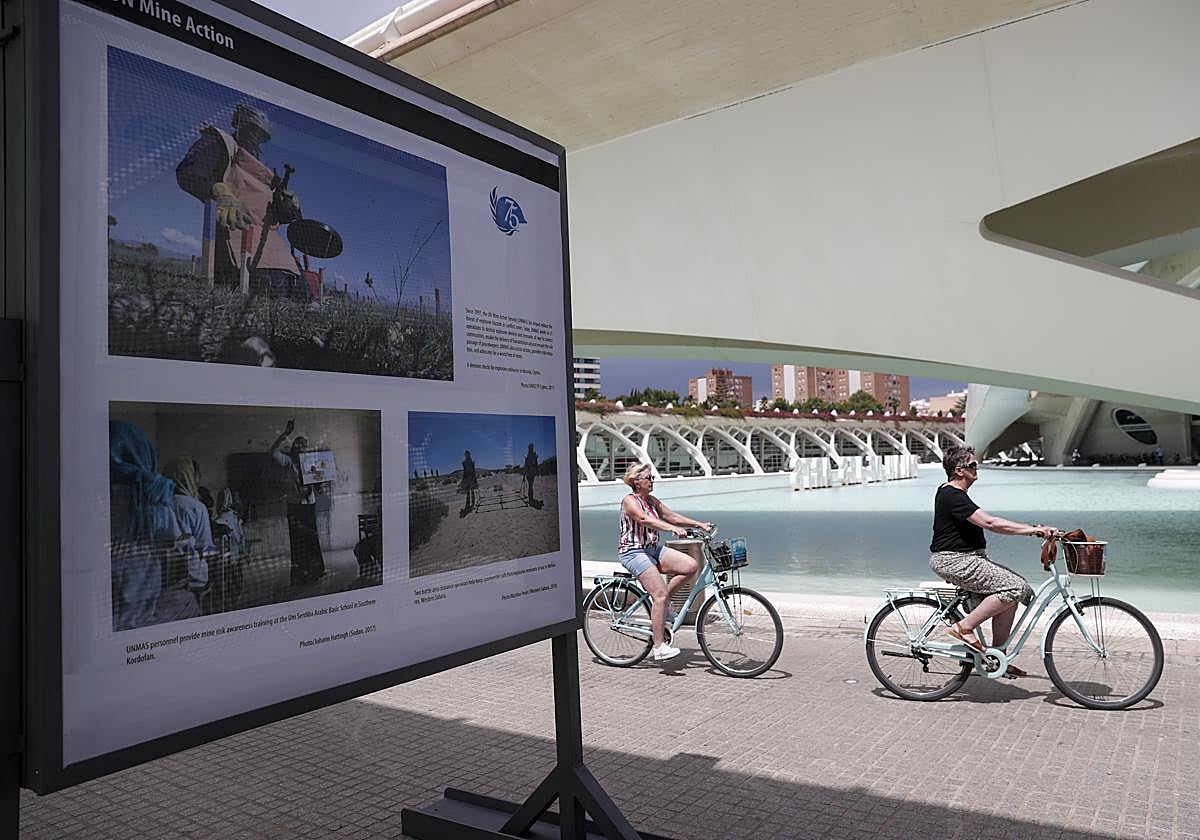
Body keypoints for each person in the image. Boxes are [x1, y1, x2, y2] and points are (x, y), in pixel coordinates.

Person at [929, 446, 1058, 677]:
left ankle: (997, 657)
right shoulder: (952, 495)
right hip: (955, 560)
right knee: (1015, 587)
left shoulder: (952, 493)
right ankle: (963, 628)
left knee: (1013, 595)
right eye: (972, 465)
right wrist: (1034, 530)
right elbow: (990, 523)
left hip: (970, 558)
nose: (977, 469)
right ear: (959, 471)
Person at [176, 103, 303, 296]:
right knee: (271, 289)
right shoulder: (220, 144)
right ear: (240, 125)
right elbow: (189, 173)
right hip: (235, 237)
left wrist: (290, 207)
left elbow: (278, 217)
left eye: (260, 135)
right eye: (253, 130)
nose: (255, 138)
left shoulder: (267, 174)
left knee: (300, 290)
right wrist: (219, 191)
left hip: (271, 244)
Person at [109, 421, 201, 630]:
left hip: (98, 613)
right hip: (139, 611)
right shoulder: (153, 493)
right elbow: (183, 551)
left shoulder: (82, 494)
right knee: (188, 601)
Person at [618, 463, 713, 662]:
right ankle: (659, 646)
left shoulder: (652, 500)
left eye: (652, 477)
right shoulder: (629, 501)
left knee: (690, 566)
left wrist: (699, 524)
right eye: (648, 478)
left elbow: (672, 516)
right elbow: (644, 520)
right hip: (633, 552)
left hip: (652, 549)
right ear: (636, 482)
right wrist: (671, 529)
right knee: (659, 595)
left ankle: (665, 605)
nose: (652, 481)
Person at [270, 419, 325, 584]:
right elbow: (273, 452)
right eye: (299, 445)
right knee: (298, 541)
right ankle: (300, 575)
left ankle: (316, 571)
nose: (302, 448)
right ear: (293, 448)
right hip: (295, 506)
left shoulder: (311, 463)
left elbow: (318, 487)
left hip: (309, 505)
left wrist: (319, 485)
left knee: (312, 539)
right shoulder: (288, 461)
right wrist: (285, 434)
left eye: (304, 446)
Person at [166, 457, 215, 591]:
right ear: (190, 478)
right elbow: (205, 547)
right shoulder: (196, 507)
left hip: (163, 580)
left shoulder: (158, 505)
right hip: (193, 578)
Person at [459, 450, 478, 516]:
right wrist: (463, 480)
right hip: (467, 479)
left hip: (471, 478)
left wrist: (475, 479)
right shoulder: (464, 462)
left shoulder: (471, 462)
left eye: (467, 454)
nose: (467, 455)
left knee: (472, 491)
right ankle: (468, 504)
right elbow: (464, 472)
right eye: (466, 454)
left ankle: (472, 504)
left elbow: (473, 471)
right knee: (468, 492)